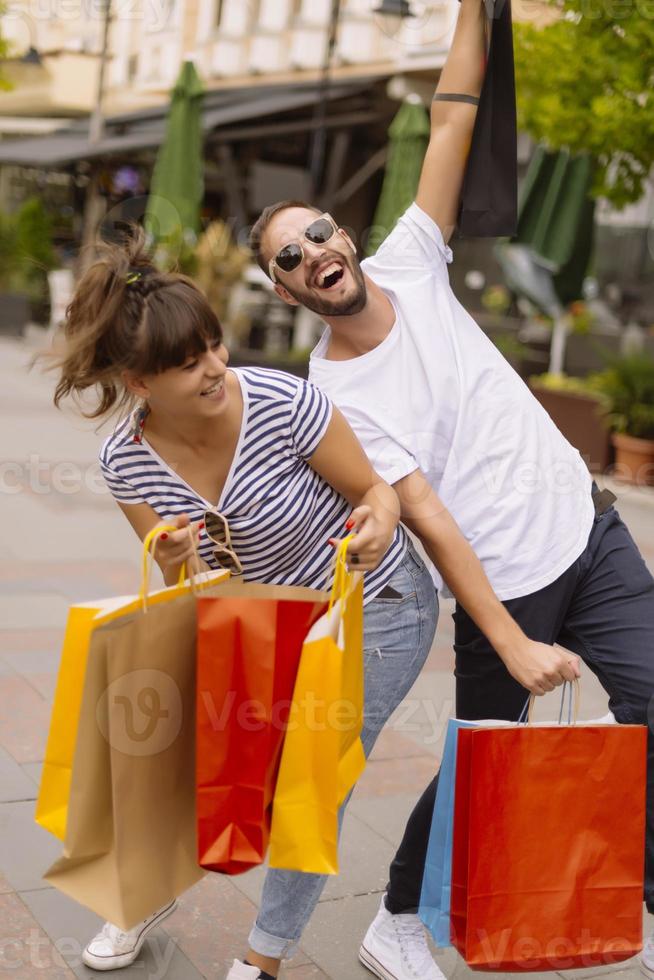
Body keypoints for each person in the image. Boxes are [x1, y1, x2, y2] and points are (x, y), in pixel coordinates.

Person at [248, 2, 654, 979]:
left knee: (649, 694)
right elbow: (422, 510)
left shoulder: (412, 261)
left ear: (341, 230)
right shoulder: (331, 394)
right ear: (284, 288)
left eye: (316, 234)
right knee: (482, 765)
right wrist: (509, 639)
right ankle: (394, 917)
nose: (313, 255)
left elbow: (454, 116)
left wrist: (481, 6)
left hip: (589, 532)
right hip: (501, 584)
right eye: (289, 258)